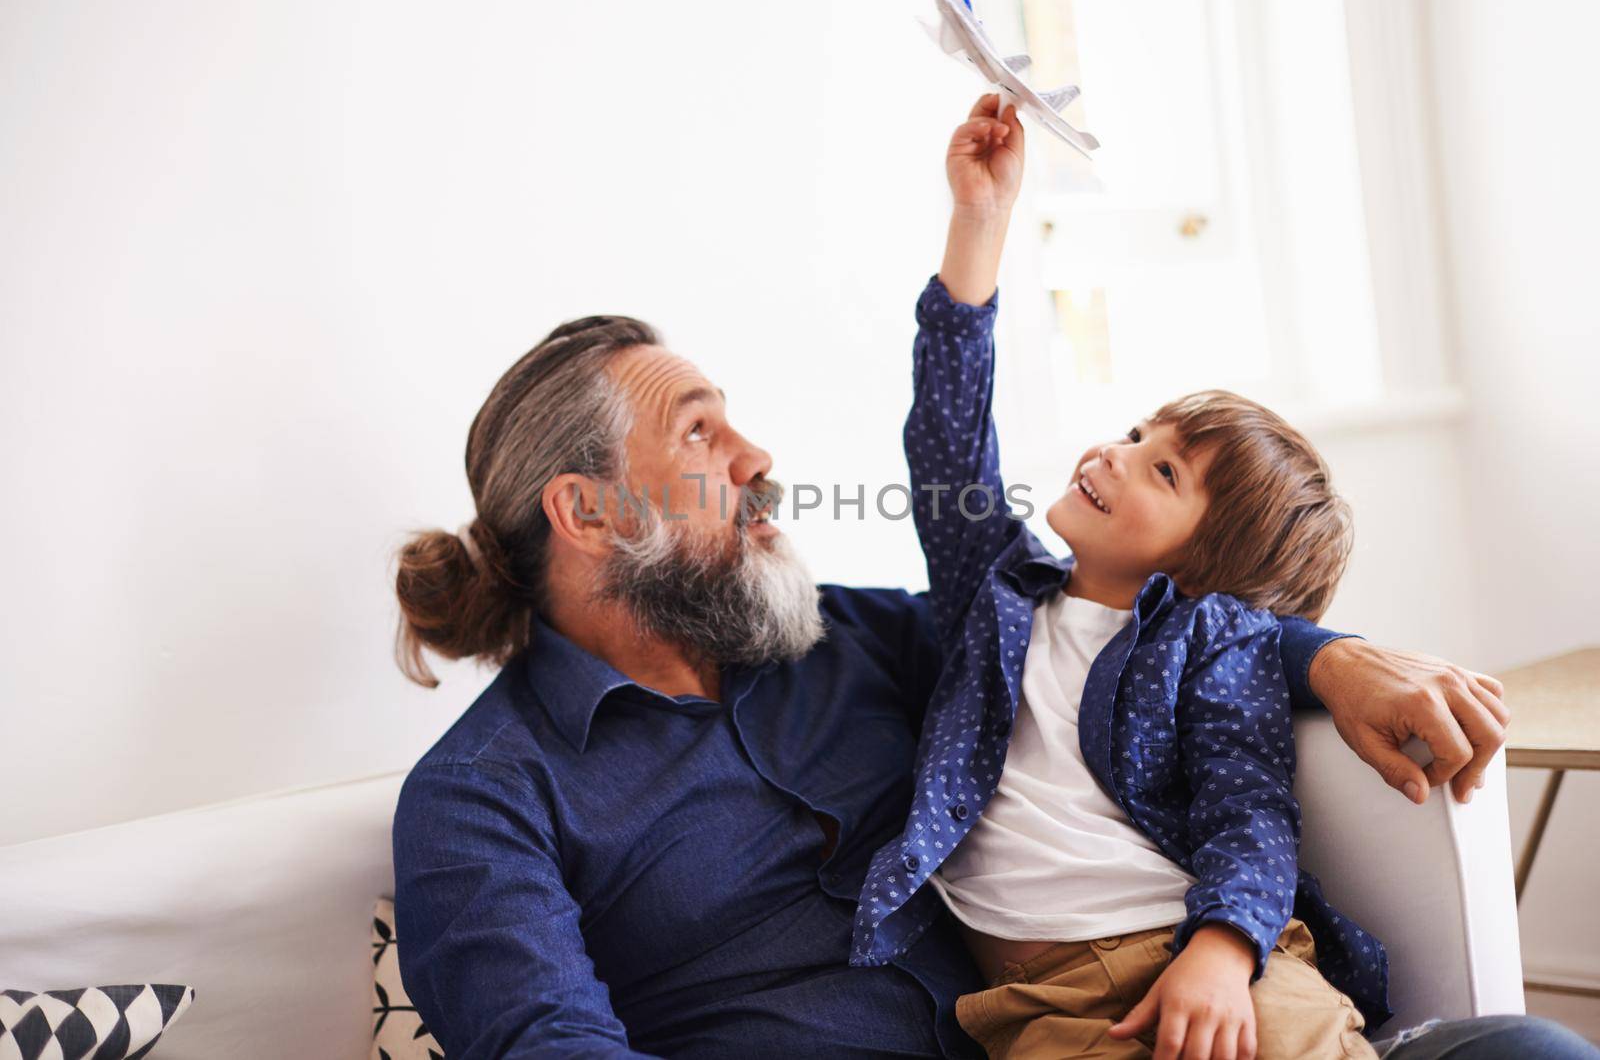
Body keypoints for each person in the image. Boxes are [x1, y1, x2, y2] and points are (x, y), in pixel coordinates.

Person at [386, 108, 1556, 1057]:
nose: (758, 460)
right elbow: (547, 1043)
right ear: (586, 511)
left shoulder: (840, 640)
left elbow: (1115, 631)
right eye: (700, 437)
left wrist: (1332, 657)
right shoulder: (483, 797)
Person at [848, 91, 1598, 1060]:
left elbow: (1248, 816)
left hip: (1207, 955)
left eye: (1160, 470)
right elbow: (946, 440)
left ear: (1205, 571)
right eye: (1134, 433)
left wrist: (1221, 945)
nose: (1115, 454)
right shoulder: (992, 595)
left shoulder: (1211, 646)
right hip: (1043, 1003)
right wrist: (979, 221)